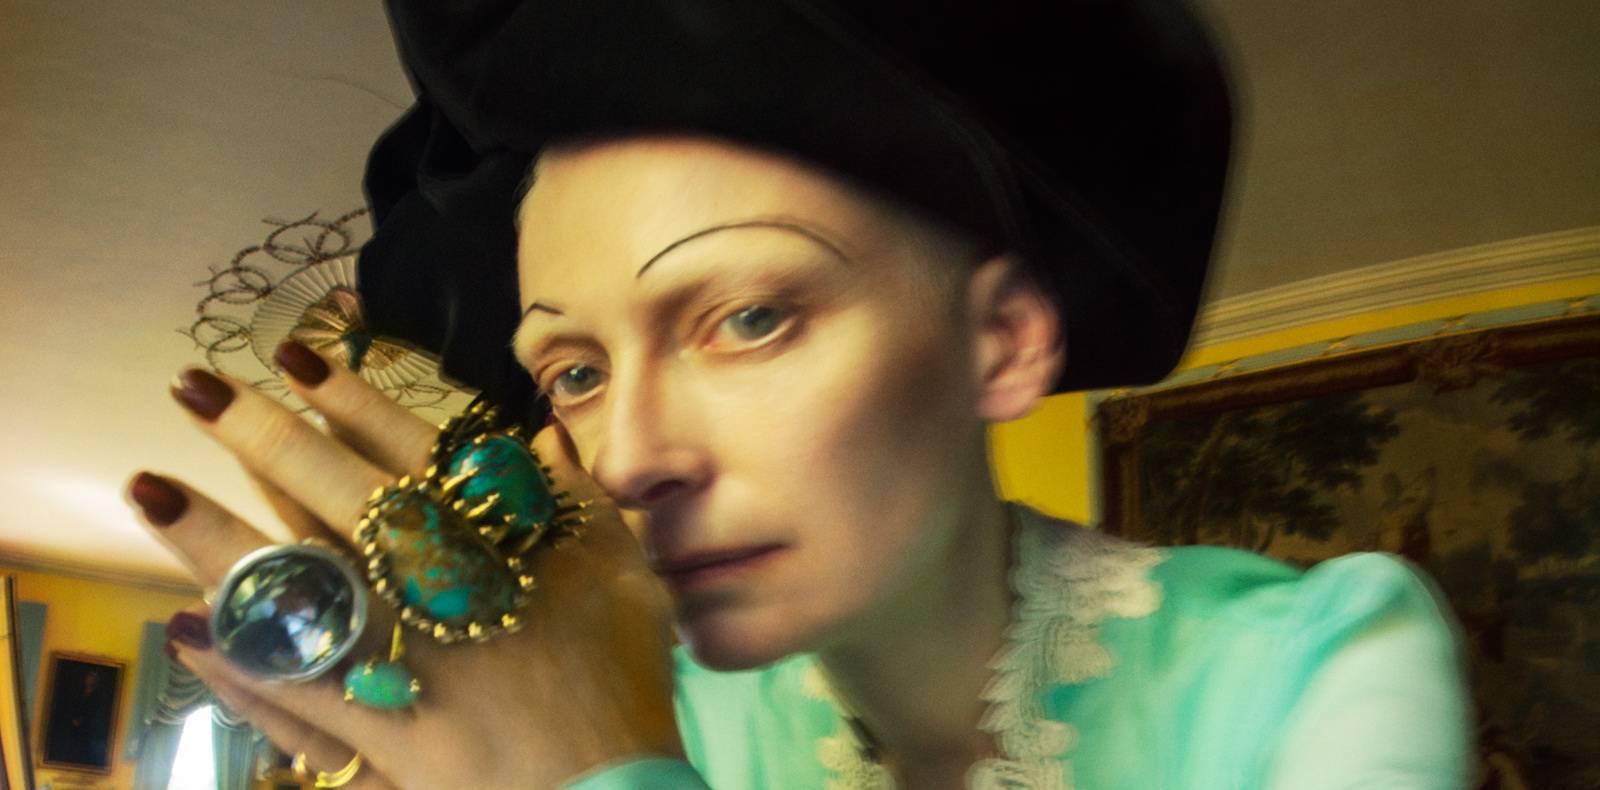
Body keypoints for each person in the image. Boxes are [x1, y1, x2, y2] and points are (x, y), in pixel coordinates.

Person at [129, 0, 1472, 787]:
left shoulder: (1316, 665)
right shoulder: (655, 697)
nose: (630, 454)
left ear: (1003, 340)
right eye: (576, 371)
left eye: (750, 317)